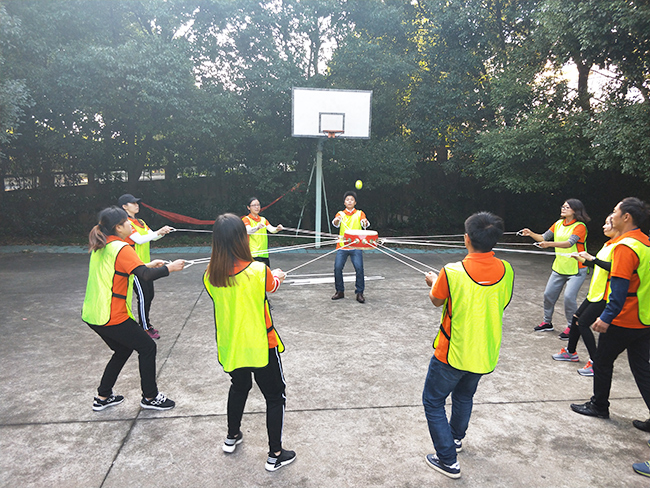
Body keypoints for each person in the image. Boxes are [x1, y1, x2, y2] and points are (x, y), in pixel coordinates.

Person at [422, 212, 514, 479]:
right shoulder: (507, 270)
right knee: (464, 396)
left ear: (467, 238)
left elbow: (437, 300)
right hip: (484, 351)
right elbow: (502, 302)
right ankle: (455, 439)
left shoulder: (451, 272)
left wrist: (433, 283)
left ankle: (447, 459)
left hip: (451, 352)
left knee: (433, 401)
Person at [203, 213, 296, 472]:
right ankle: (275, 454)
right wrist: (277, 275)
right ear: (241, 239)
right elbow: (272, 285)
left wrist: (271, 276)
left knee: (239, 386)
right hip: (261, 345)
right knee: (275, 396)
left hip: (232, 345)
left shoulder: (210, 275)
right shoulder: (258, 270)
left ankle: (232, 436)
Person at [82, 206, 184, 412]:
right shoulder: (121, 247)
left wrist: (148, 264)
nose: (130, 224)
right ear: (118, 227)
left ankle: (103, 396)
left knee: (123, 350)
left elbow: (123, 269)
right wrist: (170, 268)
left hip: (93, 313)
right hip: (112, 315)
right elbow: (144, 276)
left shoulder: (102, 245)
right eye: (126, 222)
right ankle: (150, 397)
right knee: (147, 347)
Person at [570, 197, 650, 422]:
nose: (612, 215)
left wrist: (606, 317)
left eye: (615, 211)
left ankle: (599, 406)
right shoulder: (645, 243)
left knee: (602, 362)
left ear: (626, 217)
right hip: (644, 318)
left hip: (624, 318)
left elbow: (619, 289)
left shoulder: (625, 247)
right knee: (642, 370)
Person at [551, 215, 619, 376]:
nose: (604, 226)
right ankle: (571, 352)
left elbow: (615, 268)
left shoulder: (619, 247)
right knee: (576, 318)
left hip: (605, 294)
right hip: (595, 293)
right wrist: (582, 259)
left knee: (582, 323)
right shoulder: (608, 244)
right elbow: (599, 265)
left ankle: (596, 363)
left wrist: (592, 259)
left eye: (608, 223)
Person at [520, 199, 590, 339]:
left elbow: (569, 243)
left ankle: (572, 327)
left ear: (575, 210)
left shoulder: (580, 226)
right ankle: (547, 323)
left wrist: (549, 244)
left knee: (569, 298)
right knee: (548, 295)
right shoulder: (558, 224)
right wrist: (531, 234)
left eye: (567, 207)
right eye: (563, 206)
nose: (563, 208)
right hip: (559, 267)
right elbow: (543, 237)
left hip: (576, 269)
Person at [118, 193, 173, 340]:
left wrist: (162, 233)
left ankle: (145, 324)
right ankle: (144, 327)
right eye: (133, 203)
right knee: (143, 297)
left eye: (137, 203)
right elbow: (139, 240)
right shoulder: (125, 223)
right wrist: (158, 232)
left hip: (146, 265)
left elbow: (152, 236)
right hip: (134, 267)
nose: (137, 205)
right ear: (124, 206)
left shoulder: (140, 222)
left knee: (149, 295)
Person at [331, 191, 370, 303]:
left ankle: (359, 293)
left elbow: (365, 224)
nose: (349, 201)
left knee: (359, 268)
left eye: (351, 200)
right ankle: (340, 291)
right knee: (337, 268)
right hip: (343, 246)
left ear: (355, 202)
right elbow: (335, 223)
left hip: (356, 246)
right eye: (347, 200)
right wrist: (336, 221)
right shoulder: (340, 214)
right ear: (344, 202)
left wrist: (365, 222)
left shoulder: (360, 213)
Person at [242, 197, 284, 268]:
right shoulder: (246, 219)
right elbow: (248, 231)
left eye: (258, 205)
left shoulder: (263, 219)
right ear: (248, 207)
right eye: (254, 205)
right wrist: (257, 228)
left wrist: (277, 229)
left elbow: (272, 230)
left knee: (266, 274)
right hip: (253, 254)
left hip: (264, 254)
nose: (256, 207)